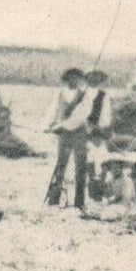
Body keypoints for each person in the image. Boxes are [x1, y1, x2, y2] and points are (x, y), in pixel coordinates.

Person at [43, 67, 112, 210]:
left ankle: (79, 202)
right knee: (61, 165)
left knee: (81, 167)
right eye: (71, 77)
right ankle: (54, 198)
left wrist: (63, 125)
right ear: (67, 79)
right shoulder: (60, 94)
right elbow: (53, 110)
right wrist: (48, 125)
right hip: (64, 134)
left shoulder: (85, 96)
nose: (74, 80)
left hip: (79, 133)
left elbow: (81, 116)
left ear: (80, 79)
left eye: (77, 78)